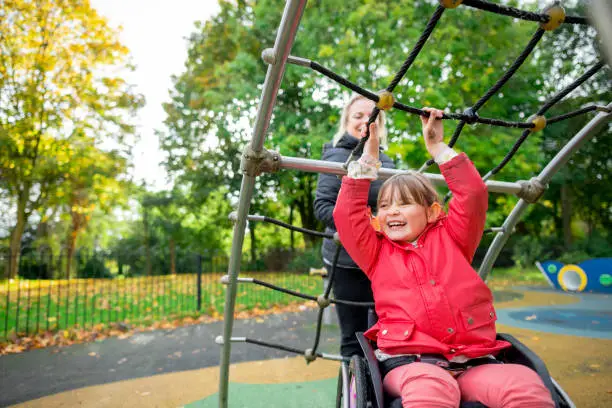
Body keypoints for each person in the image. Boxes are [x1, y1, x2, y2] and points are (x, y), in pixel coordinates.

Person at [333, 108, 555, 408]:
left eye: (405, 203)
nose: (392, 211)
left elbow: (472, 194)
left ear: (433, 212)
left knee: (523, 384)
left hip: (474, 361)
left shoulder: (453, 238)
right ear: (376, 218)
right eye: (384, 206)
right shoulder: (376, 252)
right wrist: (369, 157)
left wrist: (438, 147)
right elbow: (346, 215)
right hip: (411, 363)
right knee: (431, 388)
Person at [314, 94, 396, 358]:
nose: (365, 121)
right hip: (346, 260)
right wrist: (366, 225)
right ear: (346, 122)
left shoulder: (389, 162)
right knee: (354, 336)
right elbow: (323, 207)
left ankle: (380, 388)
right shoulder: (337, 156)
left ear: (380, 124)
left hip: (381, 258)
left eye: (372, 116)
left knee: (385, 331)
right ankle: (355, 392)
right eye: (358, 116)